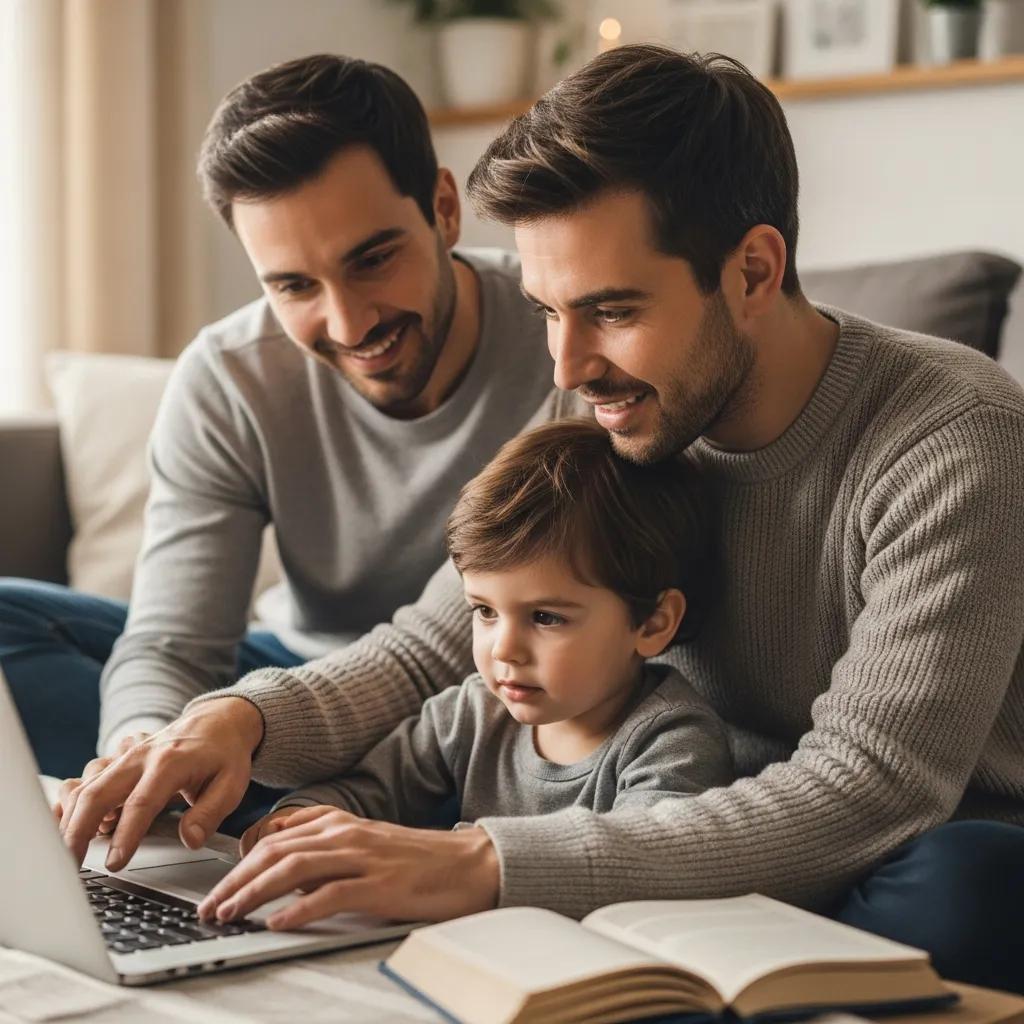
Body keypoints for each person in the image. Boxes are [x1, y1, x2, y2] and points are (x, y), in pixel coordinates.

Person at [58, 46, 1024, 993]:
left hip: (887, 841)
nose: (565, 368)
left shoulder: (951, 435)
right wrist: (238, 719)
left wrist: (485, 861)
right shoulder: (617, 405)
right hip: (656, 824)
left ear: (754, 270)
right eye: (547, 311)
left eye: (610, 309)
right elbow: (431, 646)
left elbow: (869, 791)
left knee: (962, 889)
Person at [0, 54, 561, 809]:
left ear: (444, 208)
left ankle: (294, 810)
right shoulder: (232, 376)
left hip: (475, 695)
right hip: (280, 682)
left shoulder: (568, 344)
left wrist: (240, 727)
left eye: (372, 260)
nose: (348, 323)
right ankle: (226, 811)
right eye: (294, 285)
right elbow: (174, 643)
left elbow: (436, 649)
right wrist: (142, 752)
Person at [195, 419, 732, 929]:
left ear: (654, 622)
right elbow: (368, 788)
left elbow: (637, 863)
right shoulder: (474, 711)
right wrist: (302, 822)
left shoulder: (673, 740)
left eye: (546, 617)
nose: (505, 649)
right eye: (484, 611)